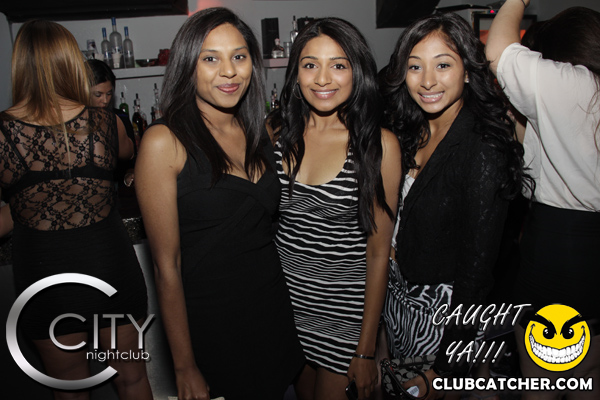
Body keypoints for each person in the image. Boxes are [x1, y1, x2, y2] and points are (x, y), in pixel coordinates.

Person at [134, 8, 305, 400]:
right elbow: (166, 268)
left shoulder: (257, 130)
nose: (229, 71)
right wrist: (184, 366)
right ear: (187, 65)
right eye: (210, 58)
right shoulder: (165, 142)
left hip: (273, 313)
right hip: (213, 326)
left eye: (239, 56)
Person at [379, 12, 529, 399]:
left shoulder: (482, 145)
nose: (427, 81)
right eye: (415, 66)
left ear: (467, 71)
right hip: (403, 307)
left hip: (446, 319)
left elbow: (476, 270)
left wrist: (447, 366)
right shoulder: (411, 128)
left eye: (443, 65)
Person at [0, 20, 151, 400]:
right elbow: (128, 153)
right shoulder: (106, 122)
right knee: (132, 379)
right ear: (72, 63)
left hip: (44, 279)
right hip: (109, 267)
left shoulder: (3, 132)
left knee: (69, 389)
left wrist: (26, 205)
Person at [269, 17, 402, 400]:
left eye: (338, 65)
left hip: (345, 318)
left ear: (357, 72)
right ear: (296, 74)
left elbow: (378, 253)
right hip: (286, 308)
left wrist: (366, 349)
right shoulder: (278, 134)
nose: (323, 78)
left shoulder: (378, 146)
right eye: (310, 64)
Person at [486, 2, 600, 399]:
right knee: (589, 378)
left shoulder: (575, 83)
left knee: (541, 382)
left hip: (560, 249)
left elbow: (498, 50)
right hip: (587, 251)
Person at [86, 59, 137, 190]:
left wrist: (129, 175)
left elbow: (131, 158)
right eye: (98, 95)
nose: (105, 100)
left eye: (109, 94)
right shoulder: (75, 123)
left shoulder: (119, 118)